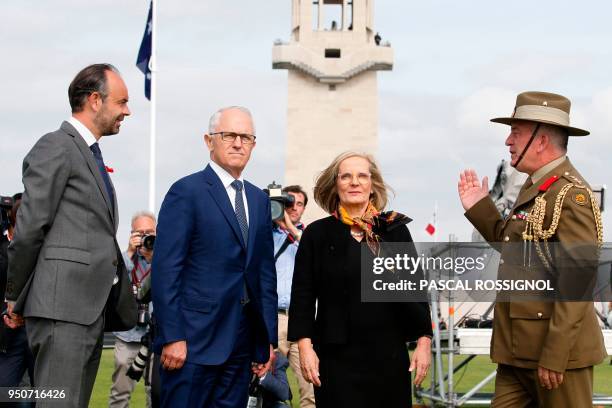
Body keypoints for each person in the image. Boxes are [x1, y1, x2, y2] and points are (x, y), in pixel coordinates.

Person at [458, 91, 607, 407]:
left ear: (540, 140)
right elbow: (514, 246)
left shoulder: (571, 195)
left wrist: (555, 354)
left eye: (516, 132)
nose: (508, 141)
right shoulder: (535, 186)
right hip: (517, 353)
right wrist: (480, 207)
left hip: (556, 356)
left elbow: (577, 283)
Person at [5, 63, 135, 408]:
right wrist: (14, 296)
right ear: (95, 100)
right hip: (61, 311)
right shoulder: (56, 146)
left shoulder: (89, 153)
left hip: (86, 312)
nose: (127, 111)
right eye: (121, 102)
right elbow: (31, 228)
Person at [152, 106, 277, 407]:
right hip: (191, 343)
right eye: (229, 135)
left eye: (245, 137)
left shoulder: (259, 200)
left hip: (241, 343)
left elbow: (263, 273)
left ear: (254, 145)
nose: (238, 143)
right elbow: (166, 270)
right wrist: (172, 336)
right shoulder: (187, 191)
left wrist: (267, 339)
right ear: (209, 141)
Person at [288, 151, 432, 407]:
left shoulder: (394, 230)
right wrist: (305, 348)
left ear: (373, 185)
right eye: (346, 176)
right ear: (336, 185)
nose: (354, 182)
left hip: (388, 356)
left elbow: (415, 290)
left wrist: (423, 341)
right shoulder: (317, 234)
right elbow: (303, 295)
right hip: (335, 359)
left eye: (362, 176)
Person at [273, 185, 315, 408]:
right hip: (275, 318)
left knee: (310, 387)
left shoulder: (309, 236)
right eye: (289, 203)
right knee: (267, 383)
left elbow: (312, 252)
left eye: (299, 204)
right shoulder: (267, 235)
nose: (294, 208)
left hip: (301, 321)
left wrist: (288, 226)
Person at [109, 211, 157, 408]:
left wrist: (156, 257)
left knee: (155, 394)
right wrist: (129, 253)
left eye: (150, 232)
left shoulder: (166, 259)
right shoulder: (123, 259)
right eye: (140, 232)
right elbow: (113, 284)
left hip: (156, 335)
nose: (145, 237)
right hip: (128, 335)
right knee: (120, 395)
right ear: (132, 234)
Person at [0, 194, 35, 408]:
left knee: (45, 392)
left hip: (36, 327)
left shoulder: (43, 249)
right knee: (5, 391)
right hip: (7, 331)